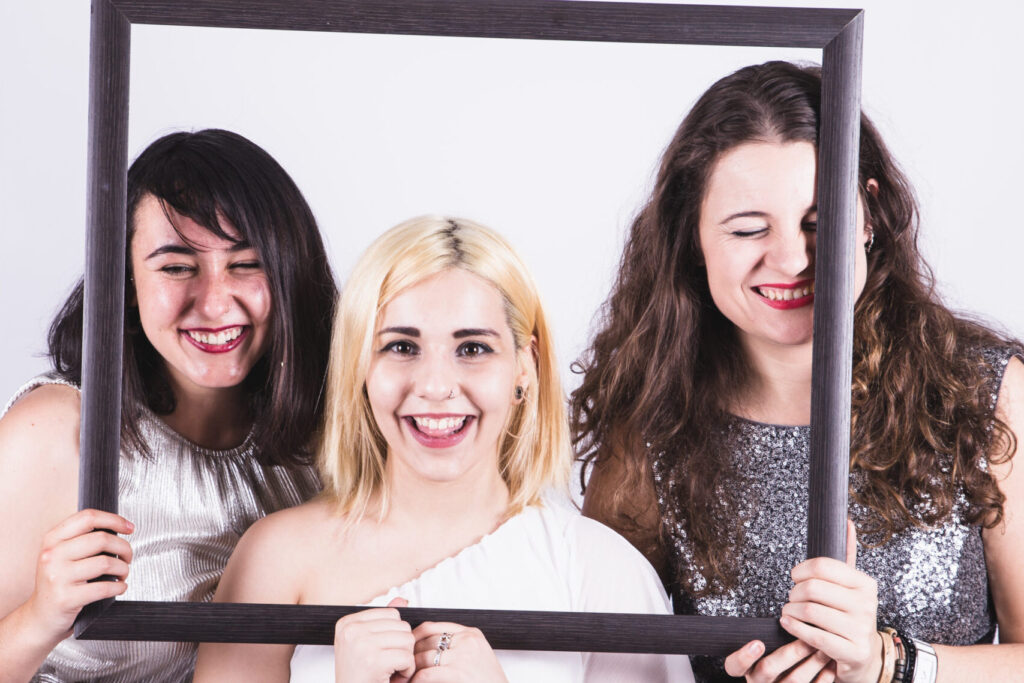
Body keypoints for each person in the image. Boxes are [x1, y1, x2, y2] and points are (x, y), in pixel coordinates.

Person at [571, 61, 1024, 683]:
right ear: (691, 238)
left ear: (867, 219)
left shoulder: (982, 389)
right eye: (749, 228)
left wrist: (890, 665)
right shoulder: (653, 418)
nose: (791, 259)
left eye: (818, 223)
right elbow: (604, 664)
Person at [193, 215, 693, 682]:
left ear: (525, 367)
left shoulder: (603, 570)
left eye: (472, 348)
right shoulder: (275, 560)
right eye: (400, 346)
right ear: (360, 367)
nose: (434, 385)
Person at [0, 129, 337, 682]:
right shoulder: (58, 432)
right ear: (125, 279)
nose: (213, 301)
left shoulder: (331, 438)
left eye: (247, 263)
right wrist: (41, 617)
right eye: (177, 267)